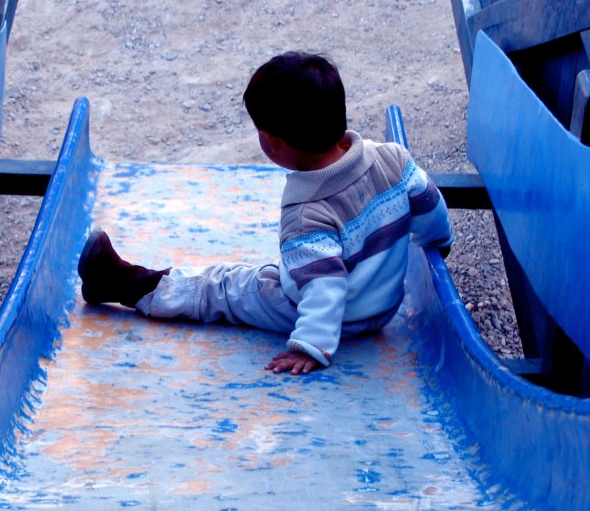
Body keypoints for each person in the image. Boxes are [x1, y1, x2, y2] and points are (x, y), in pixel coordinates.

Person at [78, 52, 452, 375]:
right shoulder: (392, 158)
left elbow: (325, 287)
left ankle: (123, 284)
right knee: (300, 266)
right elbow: (430, 205)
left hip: (337, 318)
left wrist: (310, 347)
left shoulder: (307, 214)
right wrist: (440, 241)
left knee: (225, 288)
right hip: (382, 308)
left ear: (272, 142)